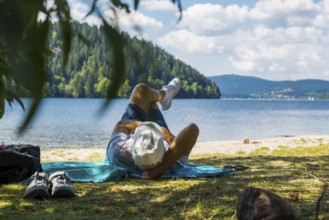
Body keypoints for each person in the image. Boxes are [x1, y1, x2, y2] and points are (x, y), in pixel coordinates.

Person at [106, 78, 199, 180]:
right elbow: (193, 129)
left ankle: (164, 94)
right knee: (147, 96)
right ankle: (165, 94)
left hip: (139, 132)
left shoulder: (119, 153)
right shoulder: (173, 162)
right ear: (163, 153)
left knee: (142, 90)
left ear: (132, 147)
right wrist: (164, 134)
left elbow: (121, 124)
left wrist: (150, 127)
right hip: (164, 137)